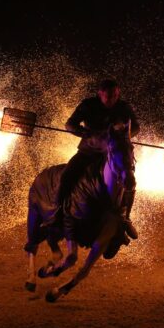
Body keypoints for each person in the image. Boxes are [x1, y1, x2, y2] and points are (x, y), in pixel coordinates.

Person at [51, 78, 140, 239]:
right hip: (89, 151)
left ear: (118, 93)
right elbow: (70, 124)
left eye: (115, 96)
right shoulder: (88, 105)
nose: (112, 99)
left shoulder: (124, 108)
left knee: (130, 178)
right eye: (108, 96)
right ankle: (57, 214)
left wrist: (123, 137)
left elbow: (136, 127)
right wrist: (85, 133)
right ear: (100, 94)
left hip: (114, 154)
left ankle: (126, 218)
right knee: (67, 176)